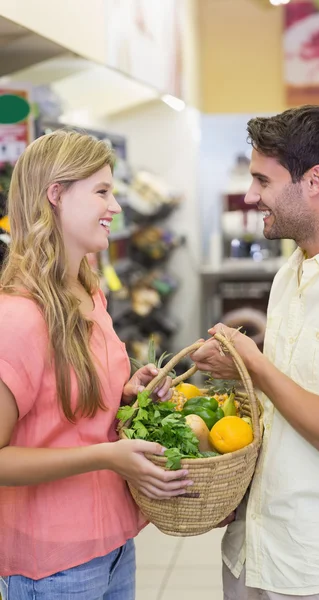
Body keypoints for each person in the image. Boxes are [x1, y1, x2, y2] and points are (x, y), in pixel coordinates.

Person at [191, 105, 319, 600]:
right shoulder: (293, 270)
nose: (250, 195)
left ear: (315, 180)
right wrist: (241, 370)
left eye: (263, 180)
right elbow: (285, 405)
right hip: (254, 551)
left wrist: (258, 366)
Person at [0, 130, 193, 600]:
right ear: (56, 196)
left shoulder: (89, 294)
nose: (117, 207)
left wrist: (128, 392)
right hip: (53, 565)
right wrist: (105, 456)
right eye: (102, 192)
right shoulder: (18, 318)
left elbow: (71, 409)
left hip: (113, 545)